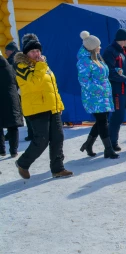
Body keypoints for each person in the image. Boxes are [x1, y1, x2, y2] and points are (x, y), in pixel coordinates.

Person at [14, 34, 73, 179]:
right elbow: (34, 83)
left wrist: (58, 104)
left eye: (38, 50)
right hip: (36, 109)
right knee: (41, 140)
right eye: (33, 51)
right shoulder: (22, 67)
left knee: (58, 137)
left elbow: (51, 86)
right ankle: (23, 163)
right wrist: (41, 65)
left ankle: (58, 168)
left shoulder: (43, 65)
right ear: (26, 53)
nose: (37, 54)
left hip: (52, 106)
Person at [77, 31, 117, 159]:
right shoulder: (84, 62)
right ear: (92, 47)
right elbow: (84, 81)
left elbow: (102, 74)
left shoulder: (95, 58)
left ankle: (88, 144)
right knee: (103, 121)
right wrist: (100, 89)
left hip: (102, 96)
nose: (100, 47)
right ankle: (108, 149)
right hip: (94, 97)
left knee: (101, 121)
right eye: (98, 46)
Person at [5, 41, 33, 141]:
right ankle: (31, 133)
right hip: (21, 88)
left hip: (18, 89)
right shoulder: (20, 58)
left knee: (24, 112)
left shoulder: (12, 60)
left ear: (11, 50)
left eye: (6, 51)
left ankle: (31, 133)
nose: (5, 53)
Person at [0, 50, 23, 158]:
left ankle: (1, 150)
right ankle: (14, 151)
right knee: (13, 127)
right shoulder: (10, 68)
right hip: (11, 100)